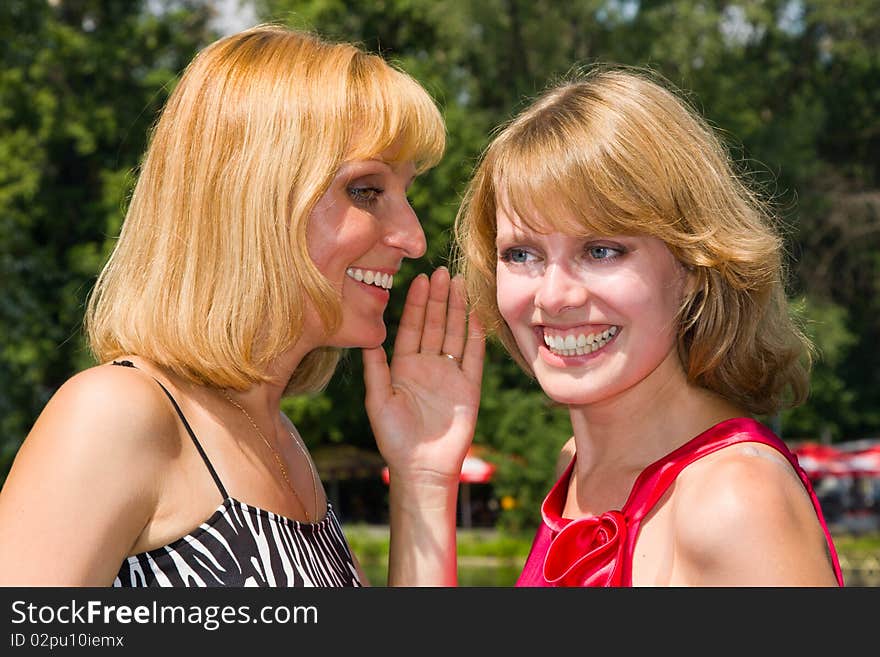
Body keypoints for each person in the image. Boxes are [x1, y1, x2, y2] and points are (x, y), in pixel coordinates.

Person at [0, 24, 483, 587]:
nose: (413, 237)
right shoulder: (118, 414)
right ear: (254, 198)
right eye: (366, 192)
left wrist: (423, 480)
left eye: (406, 193)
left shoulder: (282, 441)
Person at [452, 65, 844, 586]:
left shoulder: (735, 502)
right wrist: (426, 481)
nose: (554, 295)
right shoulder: (577, 467)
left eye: (601, 250)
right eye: (521, 254)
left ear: (692, 266)